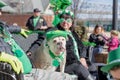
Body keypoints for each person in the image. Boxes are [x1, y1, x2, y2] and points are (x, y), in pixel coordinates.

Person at [55, 10, 96, 80]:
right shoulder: (57, 32)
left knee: (92, 67)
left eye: (68, 20)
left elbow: (82, 47)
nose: (65, 22)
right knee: (80, 68)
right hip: (65, 64)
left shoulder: (73, 33)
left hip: (77, 61)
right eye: (63, 20)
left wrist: (82, 58)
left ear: (71, 23)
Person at [0, 8, 32, 74]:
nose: (0, 14)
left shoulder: (1, 26)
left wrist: (19, 30)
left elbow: (9, 28)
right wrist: (1, 56)